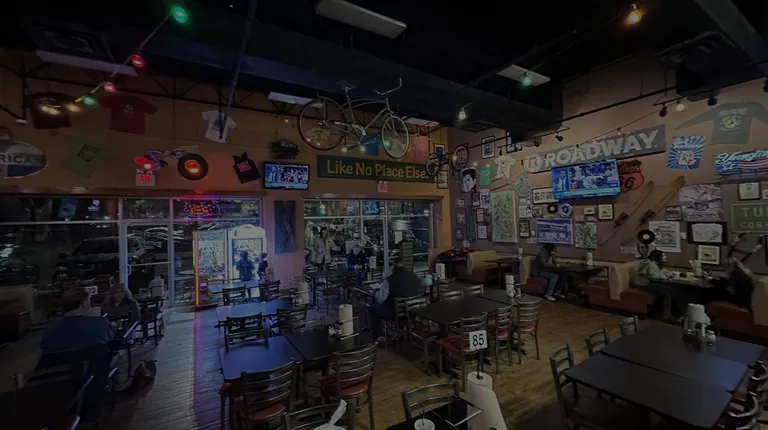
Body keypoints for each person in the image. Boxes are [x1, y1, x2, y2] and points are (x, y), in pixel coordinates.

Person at [38, 287, 116, 425]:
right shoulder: (99, 323)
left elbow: (45, 347)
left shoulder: (50, 329)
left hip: (58, 390)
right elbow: (112, 337)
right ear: (84, 303)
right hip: (92, 386)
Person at [368, 261, 422, 342]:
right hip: (413, 311)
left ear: (393, 269)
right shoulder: (415, 276)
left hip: (396, 313)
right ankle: (406, 328)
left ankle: (379, 336)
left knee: (373, 308)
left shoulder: (389, 280)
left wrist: (376, 292)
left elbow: (380, 300)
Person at [634, 249, 679, 320]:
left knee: (670, 290)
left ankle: (669, 312)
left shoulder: (657, 264)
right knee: (668, 291)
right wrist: (667, 277)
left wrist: (670, 274)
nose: (665, 257)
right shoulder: (651, 265)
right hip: (644, 284)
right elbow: (655, 277)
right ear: (658, 257)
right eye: (663, 256)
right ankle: (667, 313)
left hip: (651, 283)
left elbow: (664, 271)